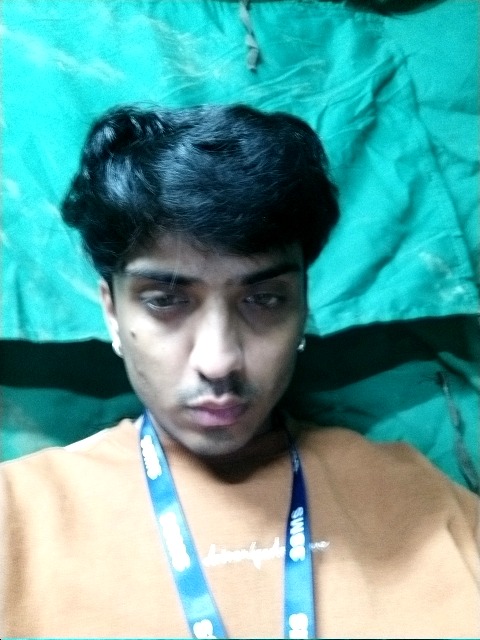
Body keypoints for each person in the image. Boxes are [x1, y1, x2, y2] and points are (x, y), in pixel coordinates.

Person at [0, 103, 478, 639]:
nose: (219, 360)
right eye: (165, 300)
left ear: (303, 306)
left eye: (265, 299)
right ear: (112, 313)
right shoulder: (16, 515)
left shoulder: (419, 497)